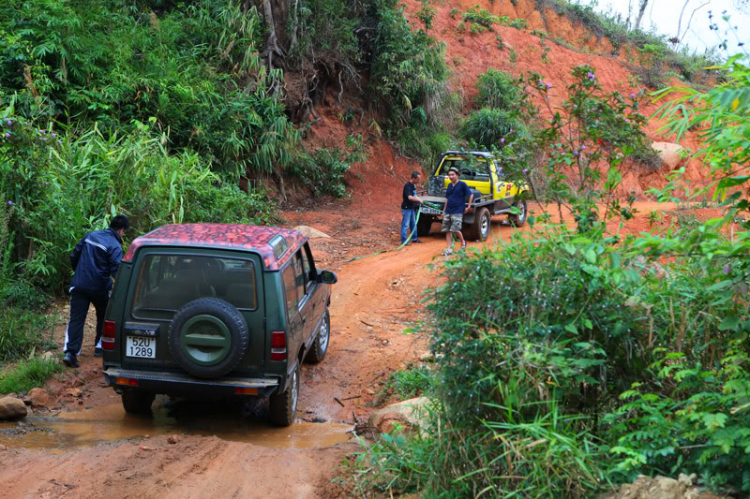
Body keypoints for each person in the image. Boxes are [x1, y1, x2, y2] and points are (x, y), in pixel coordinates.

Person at [62, 215, 130, 368]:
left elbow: (74, 255)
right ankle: (100, 346)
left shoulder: (91, 235)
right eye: (124, 233)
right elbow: (116, 270)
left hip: (79, 285)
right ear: (121, 230)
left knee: (76, 319)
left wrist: (79, 273)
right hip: (100, 288)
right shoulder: (115, 245)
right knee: (104, 315)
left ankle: (70, 353)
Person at [441, 167, 473, 256]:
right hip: (448, 210)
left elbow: (471, 195)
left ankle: (463, 242)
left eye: (452, 174)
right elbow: (447, 198)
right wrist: (444, 210)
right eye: (449, 175)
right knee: (447, 230)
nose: (451, 176)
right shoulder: (449, 185)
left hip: (458, 210)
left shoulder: (462, 184)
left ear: (457, 175)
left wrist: (468, 206)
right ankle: (449, 249)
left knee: (455, 229)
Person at [401, 171, 424, 245]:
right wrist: (418, 200)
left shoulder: (413, 185)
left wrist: (420, 199)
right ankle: (404, 241)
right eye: (418, 179)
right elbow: (410, 197)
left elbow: (414, 195)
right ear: (414, 178)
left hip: (411, 207)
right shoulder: (408, 185)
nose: (419, 181)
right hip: (406, 207)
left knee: (413, 223)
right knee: (406, 224)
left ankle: (414, 238)